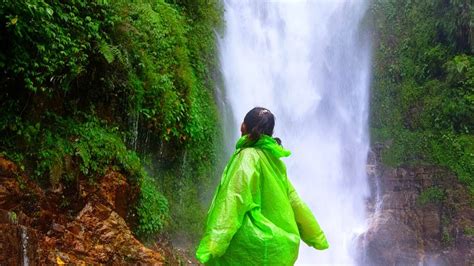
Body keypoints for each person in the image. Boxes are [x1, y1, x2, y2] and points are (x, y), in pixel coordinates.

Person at [196, 107, 329, 265]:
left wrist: (213, 244)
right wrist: (316, 236)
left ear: (243, 127)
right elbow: (295, 202)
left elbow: (233, 199)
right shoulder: (275, 162)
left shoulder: (247, 157)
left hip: (250, 251)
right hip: (279, 251)